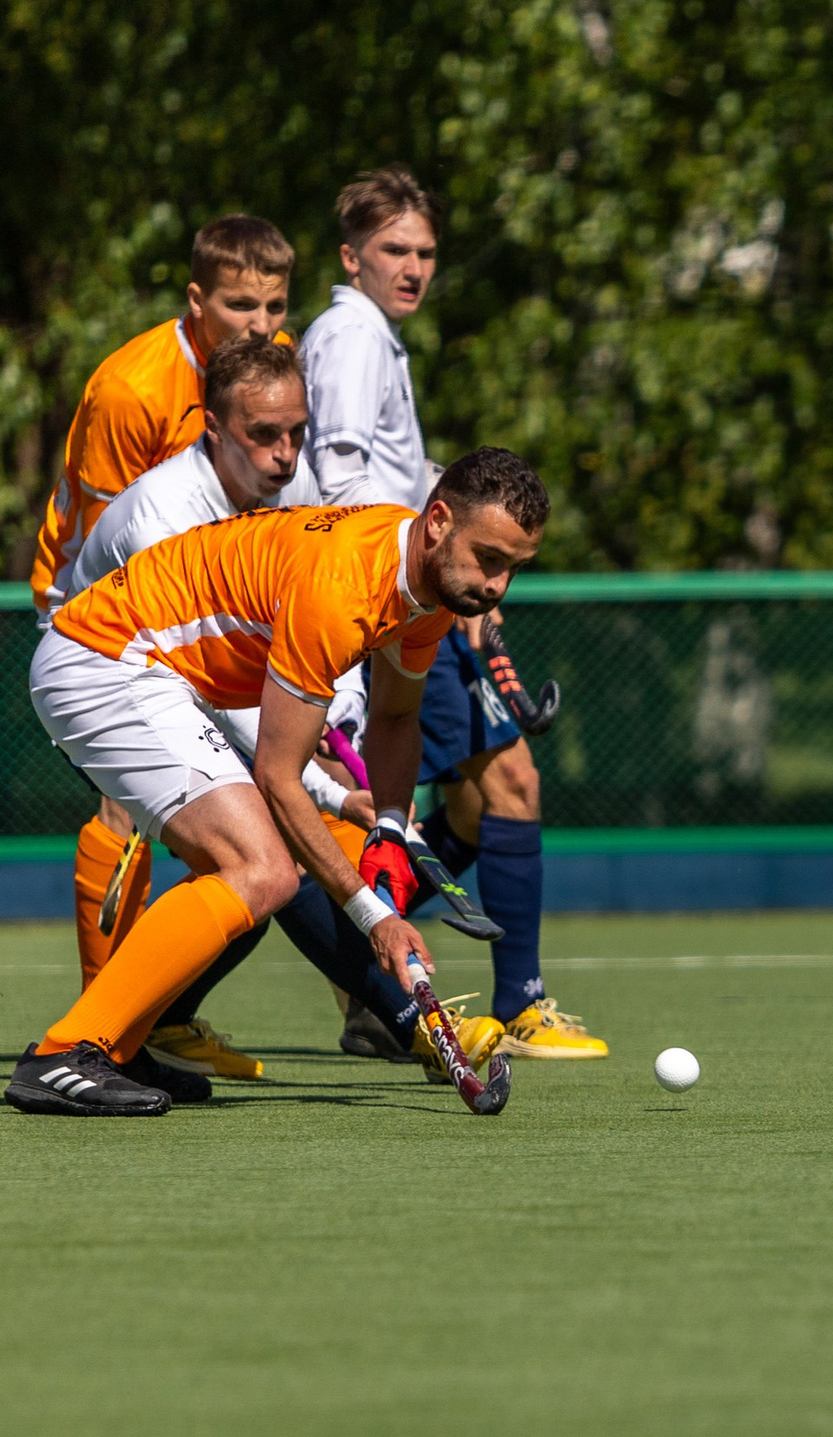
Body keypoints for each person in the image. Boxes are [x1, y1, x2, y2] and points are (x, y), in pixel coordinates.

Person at [9, 448, 549, 1116]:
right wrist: (374, 915)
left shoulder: (429, 586)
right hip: (107, 659)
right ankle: (67, 1052)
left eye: (513, 569)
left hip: (157, 672)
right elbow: (277, 774)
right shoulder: (344, 586)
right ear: (438, 520)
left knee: (260, 863)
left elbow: (396, 715)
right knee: (263, 866)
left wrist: (385, 825)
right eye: (489, 559)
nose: (497, 586)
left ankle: (121, 1041)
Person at [59, 336, 505, 1082]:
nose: (285, 453)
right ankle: (403, 1021)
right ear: (212, 427)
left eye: (297, 432)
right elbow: (215, 672)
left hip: (197, 676)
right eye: (263, 435)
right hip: (107, 659)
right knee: (270, 846)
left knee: (262, 861)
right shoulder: (166, 510)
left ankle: (138, 1033)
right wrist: (328, 787)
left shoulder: (292, 499)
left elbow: (333, 636)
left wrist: (359, 769)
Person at [301, 167, 603, 1059]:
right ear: (351, 255)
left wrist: (468, 592)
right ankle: (513, 1000)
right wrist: (424, 584)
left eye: (426, 251)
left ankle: (366, 969)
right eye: (395, 249)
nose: (414, 267)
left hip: (419, 597)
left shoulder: (376, 336)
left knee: (474, 803)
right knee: (507, 784)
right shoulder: (352, 336)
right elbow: (345, 483)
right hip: (392, 603)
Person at [27, 215, 295, 1006]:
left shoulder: (268, 367)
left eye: (276, 306)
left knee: (237, 816)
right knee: (130, 803)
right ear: (195, 298)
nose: (263, 327)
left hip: (199, 603)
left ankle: (152, 1019)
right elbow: (109, 553)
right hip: (96, 607)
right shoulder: (132, 389)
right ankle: (105, 1028)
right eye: (242, 305)